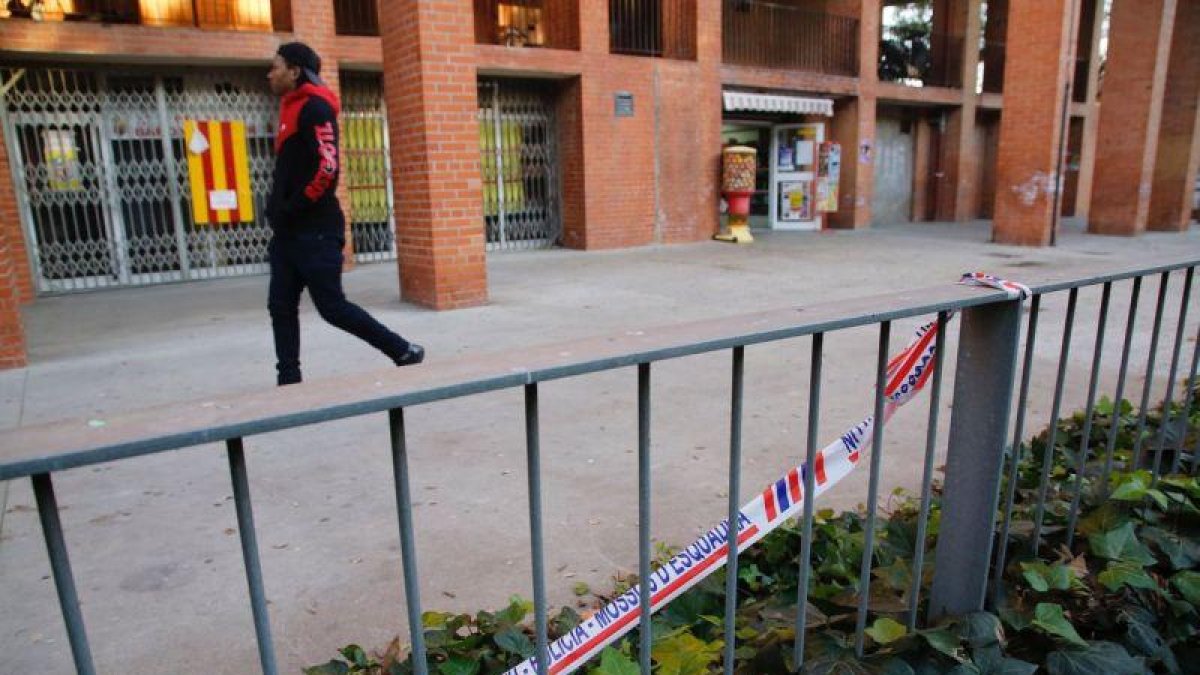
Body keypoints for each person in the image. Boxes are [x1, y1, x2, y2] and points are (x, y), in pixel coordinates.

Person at [265, 42, 423, 386]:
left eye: (276, 66)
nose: (270, 73)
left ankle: (402, 350)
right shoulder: (289, 109)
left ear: (294, 71)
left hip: (315, 232)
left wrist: (293, 207)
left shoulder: (315, 109)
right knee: (280, 307)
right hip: (288, 235)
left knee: (332, 307)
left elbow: (327, 168)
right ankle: (288, 380)